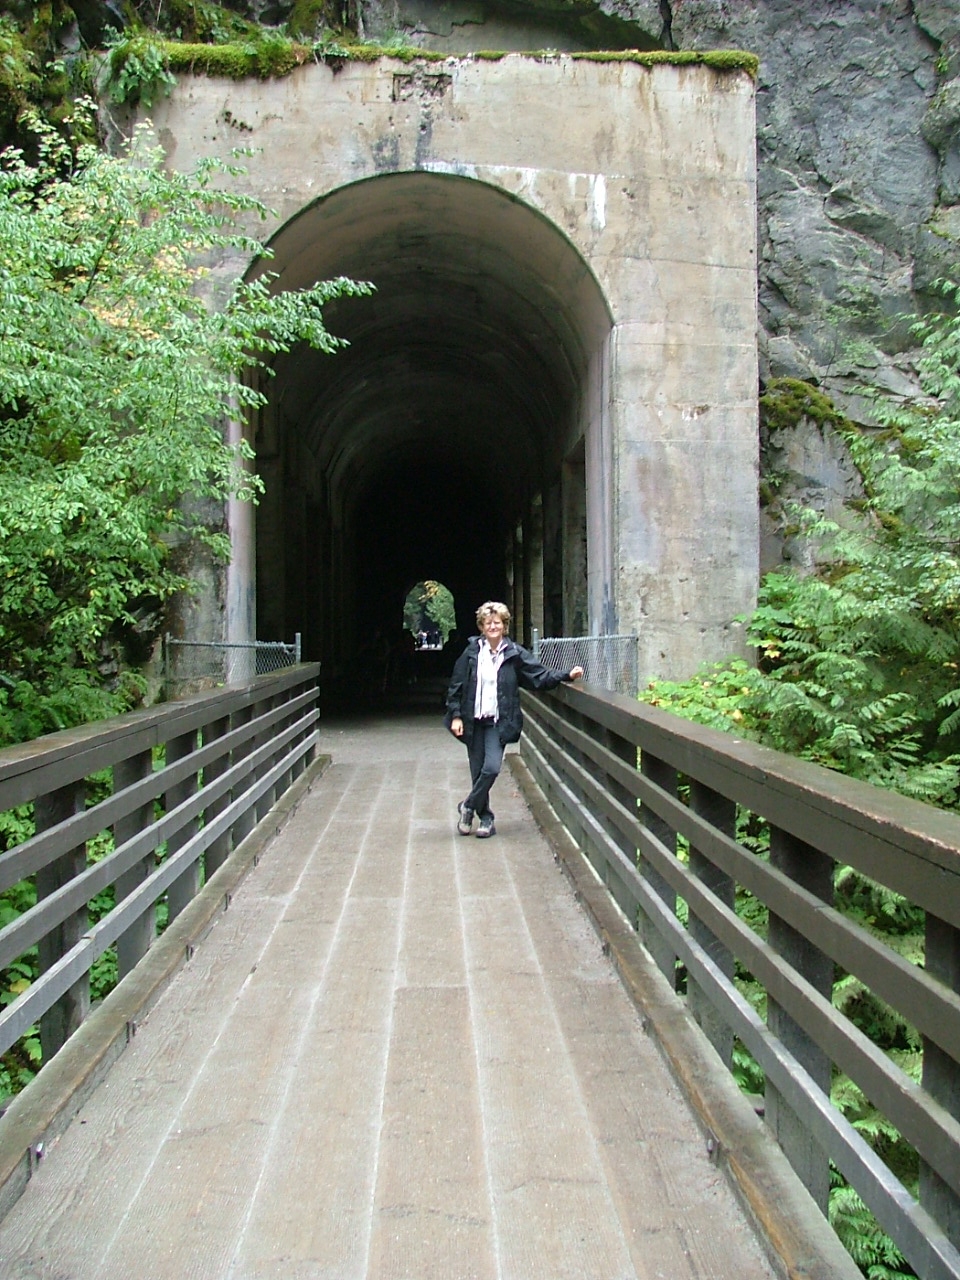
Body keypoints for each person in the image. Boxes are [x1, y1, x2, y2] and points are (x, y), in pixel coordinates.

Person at [444, 601, 583, 838]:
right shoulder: (471, 652)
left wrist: (566, 675)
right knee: (478, 772)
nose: (493, 627)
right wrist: (456, 715)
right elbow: (456, 686)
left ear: (504, 625)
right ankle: (486, 819)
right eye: (488, 623)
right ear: (481, 626)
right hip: (473, 720)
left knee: (491, 768)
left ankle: (467, 806)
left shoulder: (514, 653)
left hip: (498, 721)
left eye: (497, 622)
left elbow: (538, 675)